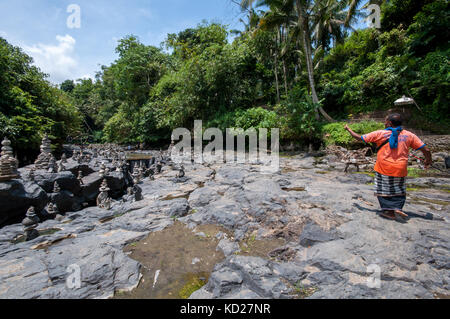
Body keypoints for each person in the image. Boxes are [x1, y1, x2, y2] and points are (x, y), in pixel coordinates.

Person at [345, 113, 432, 220]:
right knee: (398, 188)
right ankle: (397, 208)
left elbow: (360, 138)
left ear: (389, 123)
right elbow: (426, 150)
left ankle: (389, 212)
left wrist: (349, 130)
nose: (384, 123)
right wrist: (428, 160)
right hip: (400, 168)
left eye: (385, 121)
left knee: (383, 188)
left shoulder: (380, 134)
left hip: (384, 167)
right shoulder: (409, 135)